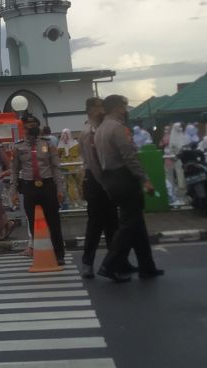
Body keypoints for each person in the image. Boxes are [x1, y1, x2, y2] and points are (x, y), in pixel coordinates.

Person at [94, 95, 163, 282]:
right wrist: (145, 179)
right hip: (124, 178)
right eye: (124, 107)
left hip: (111, 178)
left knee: (136, 223)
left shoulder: (100, 129)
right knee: (127, 225)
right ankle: (109, 265)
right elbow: (130, 156)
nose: (126, 111)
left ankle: (147, 266)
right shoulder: (118, 128)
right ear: (117, 108)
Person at [10, 114, 65, 265]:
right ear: (24, 128)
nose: (32, 128)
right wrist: (13, 192)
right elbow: (14, 171)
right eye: (28, 126)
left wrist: (60, 189)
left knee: (53, 221)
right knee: (34, 223)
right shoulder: (18, 146)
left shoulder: (48, 144)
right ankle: (41, 253)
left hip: (47, 186)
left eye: (34, 125)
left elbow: (56, 168)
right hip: (29, 187)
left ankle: (59, 254)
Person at [79, 97, 119, 279]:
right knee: (98, 225)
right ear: (92, 110)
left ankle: (115, 262)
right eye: (100, 107)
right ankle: (91, 263)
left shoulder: (98, 129)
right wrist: (106, 184)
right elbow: (93, 163)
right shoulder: (90, 131)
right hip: (97, 181)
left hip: (100, 180)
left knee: (110, 224)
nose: (103, 110)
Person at [57, 129, 82, 207]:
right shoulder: (76, 144)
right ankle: (80, 200)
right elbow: (79, 153)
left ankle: (73, 202)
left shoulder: (60, 145)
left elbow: (57, 155)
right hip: (76, 165)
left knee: (70, 184)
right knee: (79, 183)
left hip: (66, 166)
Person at [164, 122, 186, 202]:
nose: (180, 128)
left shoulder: (182, 135)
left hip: (184, 157)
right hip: (177, 158)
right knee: (178, 171)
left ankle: (183, 184)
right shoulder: (173, 137)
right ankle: (180, 185)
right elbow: (172, 147)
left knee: (182, 171)